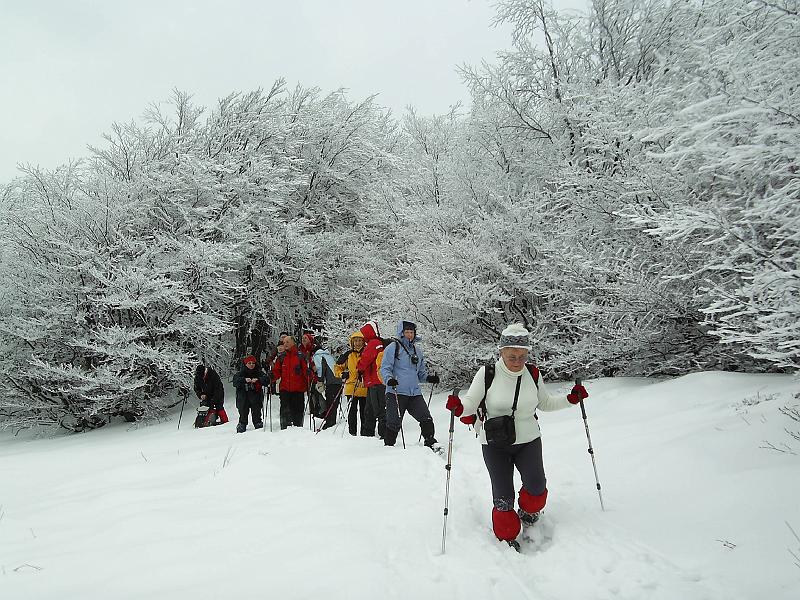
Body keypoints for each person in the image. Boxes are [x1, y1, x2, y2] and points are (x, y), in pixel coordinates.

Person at [445, 323, 589, 546]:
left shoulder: (532, 373)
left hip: (529, 439)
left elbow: (545, 403)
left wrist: (571, 400)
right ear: (501, 352)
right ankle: (507, 535)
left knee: (537, 485)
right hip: (494, 443)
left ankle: (528, 512)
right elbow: (470, 403)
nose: (517, 361)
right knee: (503, 497)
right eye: (512, 356)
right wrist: (459, 408)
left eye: (522, 356)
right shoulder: (487, 374)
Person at [380, 320, 440, 449]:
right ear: (401, 333)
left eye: (411, 332)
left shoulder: (417, 351)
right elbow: (385, 368)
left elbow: (421, 374)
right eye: (406, 332)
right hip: (395, 391)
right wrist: (389, 379)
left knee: (426, 418)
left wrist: (429, 378)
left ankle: (430, 442)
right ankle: (388, 446)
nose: (409, 335)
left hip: (414, 393)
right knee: (394, 423)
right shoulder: (393, 348)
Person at [334, 331, 369, 436]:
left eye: (360, 341)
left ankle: (364, 434)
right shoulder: (348, 355)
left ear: (363, 342)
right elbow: (337, 367)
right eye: (355, 341)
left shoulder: (367, 353)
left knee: (364, 413)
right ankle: (352, 434)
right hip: (351, 387)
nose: (357, 343)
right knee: (352, 413)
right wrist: (342, 374)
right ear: (352, 342)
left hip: (364, 387)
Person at [271, 336, 310, 429]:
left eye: (287, 342)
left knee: (298, 413)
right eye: (284, 342)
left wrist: (311, 376)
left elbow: (306, 371)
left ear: (293, 343)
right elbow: (277, 371)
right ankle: (284, 430)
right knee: (285, 413)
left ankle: (298, 430)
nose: (285, 344)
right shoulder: (281, 357)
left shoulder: (301, 356)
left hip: (298, 390)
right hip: (285, 390)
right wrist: (271, 376)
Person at [356, 320, 387, 439]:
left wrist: (360, 368)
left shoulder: (373, 343)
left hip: (376, 381)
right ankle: (369, 434)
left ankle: (383, 435)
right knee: (370, 409)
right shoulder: (379, 343)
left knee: (377, 409)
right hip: (374, 381)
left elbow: (366, 358)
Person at [232, 355, 270, 433]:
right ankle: (242, 424)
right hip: (243, 396)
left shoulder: (259, 372)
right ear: (245, 364)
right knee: (243, 411)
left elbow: (266, 380)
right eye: (249, 363)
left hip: (256, 396)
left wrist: (258, 380)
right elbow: (235, 382)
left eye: (253, 363)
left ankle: (257, 422)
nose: (251, 365)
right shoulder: (240, 373)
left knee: (256, 410)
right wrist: (245, 380)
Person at [312, 344, 344, 430]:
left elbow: (320, 368)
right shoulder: (328, 355)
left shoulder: (318, 355)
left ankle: (330, 422)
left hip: (331, 382)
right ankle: (330, 421)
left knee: (330, 402)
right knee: (334, 402)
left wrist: (320, 380)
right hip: (338, 380)